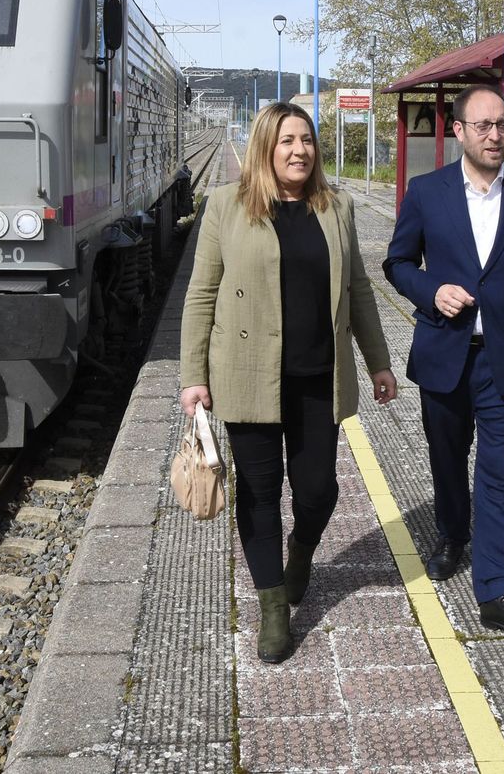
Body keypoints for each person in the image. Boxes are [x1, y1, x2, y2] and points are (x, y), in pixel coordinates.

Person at [180, 102, 397, 664]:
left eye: (306, 140)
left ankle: (301, 553)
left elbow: (359, 291)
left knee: (319, 490)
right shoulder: (227, 206)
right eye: (286, 141)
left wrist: (378, 363)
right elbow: (202, 293)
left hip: (317, 377)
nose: (299, 150)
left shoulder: (337, 206)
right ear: (264, 148)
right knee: (258, 494)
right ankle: (273, 608)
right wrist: (192, 377)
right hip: (247, 375)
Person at [383, 84, 504, 637]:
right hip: (444, 353)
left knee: (500, 472)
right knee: (447, 458)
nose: (495, 135)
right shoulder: (426, 191)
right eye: (483, 126)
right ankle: (452, 535)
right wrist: (431, 289)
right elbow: (396, 263)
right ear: (458, 131)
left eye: (503, 125)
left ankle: (494, 590)